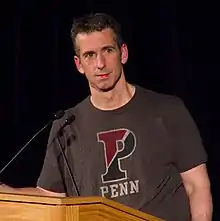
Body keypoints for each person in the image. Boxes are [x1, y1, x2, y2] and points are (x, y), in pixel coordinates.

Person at [0, 13, 212, 221]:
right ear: (79, 64)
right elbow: (51, 198)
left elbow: (197, 186)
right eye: (89, 55)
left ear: (123, 53)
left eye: (107, 51)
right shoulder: (65, 126)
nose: (100, 63)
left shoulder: (167, 110)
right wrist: (6, 193)